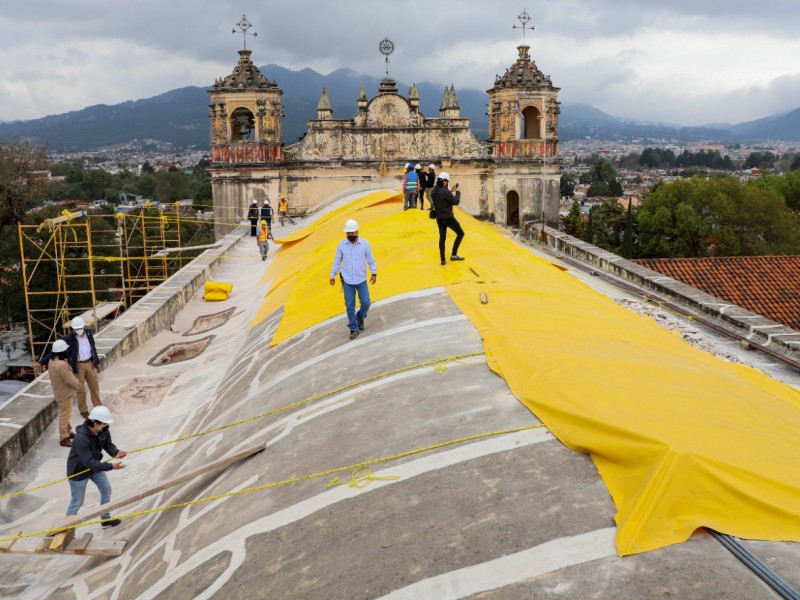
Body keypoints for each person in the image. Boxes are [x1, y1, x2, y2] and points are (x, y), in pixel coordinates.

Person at [65, 406, 127, 528]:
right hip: (79, 472)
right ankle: (66, 529)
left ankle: (105, 519)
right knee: (77, 502)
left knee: (106, 489)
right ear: (95, 423)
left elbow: (108, 444)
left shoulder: (103, 430)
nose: (105, 426)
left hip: (95, 468)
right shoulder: (80, 439)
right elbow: (89, 462)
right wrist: (111, 466)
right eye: (103, 424)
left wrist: (116, 452)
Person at [39, 316, 104, 419]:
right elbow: (54, 351)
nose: (78, 330)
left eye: (80, 328)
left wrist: (97, 363)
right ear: (73, 329)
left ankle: (98, 406)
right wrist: (42, 362)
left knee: (94, 387)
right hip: (77, 366)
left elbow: (93, 349)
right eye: (76, 329)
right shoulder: (68, 339)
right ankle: (83, 410)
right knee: (80, 389)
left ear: (84, 326)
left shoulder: (89, 335)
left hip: (89, 363)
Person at [329, 219, 377, 341]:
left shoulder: (365, 244)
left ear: (357, 231)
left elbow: (371, 260)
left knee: (366, 302)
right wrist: (333, 275)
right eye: (348, 233)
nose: (350, 235)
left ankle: (360, 316)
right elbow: (337, 262)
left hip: (361, 279)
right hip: (347, 280)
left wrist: (374, 273)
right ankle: (353, 328)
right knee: (350, 305)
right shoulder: (341, 246)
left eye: (352, 233)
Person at [48, 339, 81, 447]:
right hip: (65, 393)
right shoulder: (62, 365)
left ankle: (68, 431)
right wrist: (78, 385)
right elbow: (70, 379)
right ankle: (64, 437)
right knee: (65, 415)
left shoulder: (51, 361)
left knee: (65, 413)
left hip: (58, 392)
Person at [430, 172, 466, 265]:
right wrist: (457, 192)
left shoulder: (434, 191)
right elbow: (456, 202)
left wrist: (451, 191)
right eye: (447, 182)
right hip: (448, 217)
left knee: (442, 238)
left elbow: (442, 197)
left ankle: (442, 259)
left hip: (439, 218)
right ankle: (454, 255)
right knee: (460, 233)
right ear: (444, 181)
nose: (448, 184)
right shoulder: (445, 192)